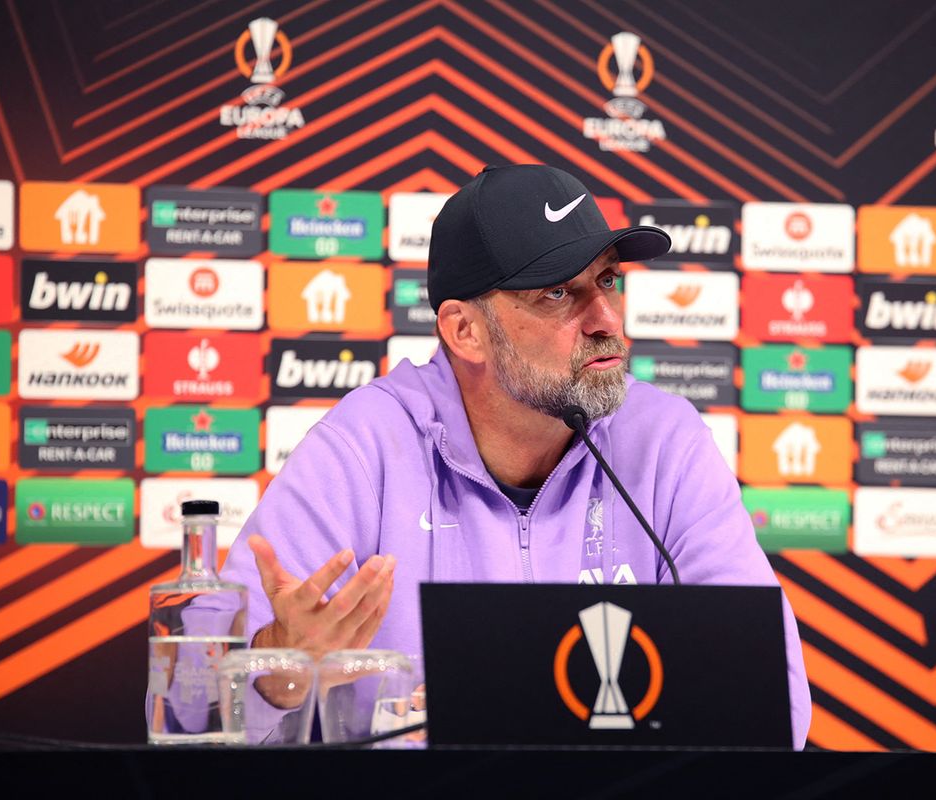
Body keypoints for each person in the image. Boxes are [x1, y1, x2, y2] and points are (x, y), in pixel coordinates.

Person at [219, 164, 812, 747]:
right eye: (558, 292)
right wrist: (279, 672)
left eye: (607, 280)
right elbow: (191, 715)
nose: (606, 319)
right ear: (464, 331)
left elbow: (774, 701)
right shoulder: (365, 447)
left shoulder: (663, 441)